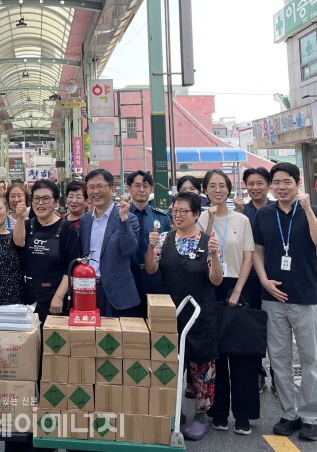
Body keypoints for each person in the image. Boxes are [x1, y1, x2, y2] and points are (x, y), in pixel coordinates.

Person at [253, 162, 317, 442]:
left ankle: (311, 416)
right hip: (272, 298)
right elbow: (258, 252)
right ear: (271, 186)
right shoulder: (263, 215)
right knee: (279, 360)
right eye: (277, 182)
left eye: (287, 182)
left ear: (297, 184)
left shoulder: (312, 211)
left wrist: (308, 209)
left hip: (306, 298)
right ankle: (289, 412)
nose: (281, 187)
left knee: (311, 360)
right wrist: (263, 280)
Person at [145, 190, 223, 441]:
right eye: (174, 211)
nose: (177, 215)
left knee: (202, 369)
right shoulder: (165, 238)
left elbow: (216, 280)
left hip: (201, 316)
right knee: (171, 366)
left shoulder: (208, 241)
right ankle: (174, 412)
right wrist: (150, 247)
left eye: (183, 211)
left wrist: (213, 254)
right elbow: (151, 269)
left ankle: (202, 416)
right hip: (172, 315)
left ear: (196, 214)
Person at [199, 170, 258, 436]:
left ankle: (243, 416)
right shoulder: (199, 217)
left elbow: (248, 258)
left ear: (229, 189)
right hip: (209, 287)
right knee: (217, 356)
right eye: (212, 186)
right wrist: (209, 220)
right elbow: (200, 251)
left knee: (242, 354)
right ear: (205, 190)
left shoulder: (242, 219)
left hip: (236, 286)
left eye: (222, 185)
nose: (217, 190)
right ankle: (218, 412)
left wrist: (237, 291)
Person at [13, 179, 79, 321]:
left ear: (56, 202)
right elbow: (18, 243)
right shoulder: (27, 225)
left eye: (46, 199)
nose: (40, 203)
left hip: (54, 297)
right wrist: (20, 218)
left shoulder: (66, 229)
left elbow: (72, 267)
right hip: (27, 295)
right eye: (36, 199)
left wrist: (59, 296)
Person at [77, 169, 139, 317]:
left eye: (100, 186)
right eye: (91, 187)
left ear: (112, 189)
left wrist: (123, 219)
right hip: (88, 290)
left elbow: (129, 250)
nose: (95, 191)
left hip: (118, 294)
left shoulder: (128, 218)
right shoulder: (85, 220)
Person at [234, 166, 273, 394]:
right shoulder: (242, 214)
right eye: (251, 183)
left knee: (276, 330)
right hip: (249, 280)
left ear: (268, 185)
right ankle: (257, 372)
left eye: (260, 183)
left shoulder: (279, 209)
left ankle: (279, 374)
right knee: (252, 328)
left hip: (276, 278)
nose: (255, 187)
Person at [125, 170, 172, 303]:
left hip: (154, 276)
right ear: (129, 188)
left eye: (145, 186)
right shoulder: (121, 216)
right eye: (137, 185)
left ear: (151, 189)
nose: (141, 190)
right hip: (127, 275)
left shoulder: (163, 218)